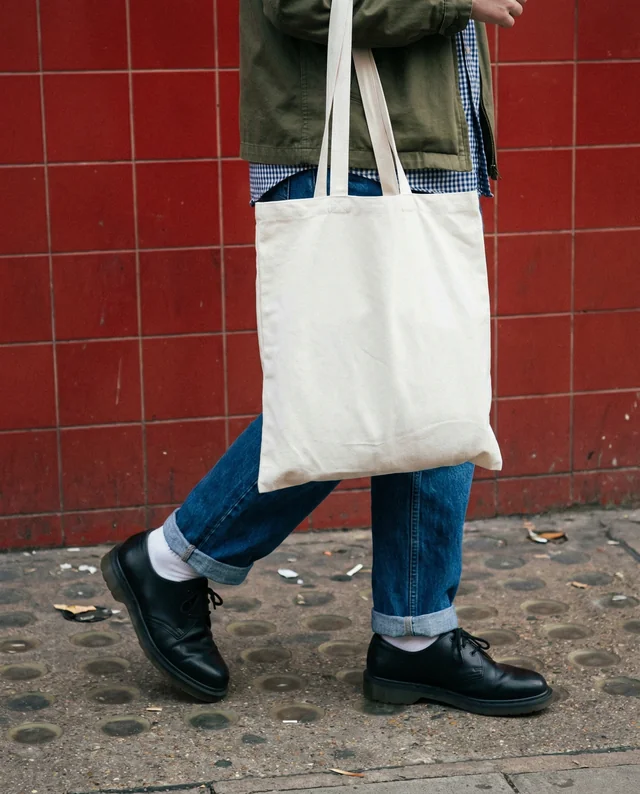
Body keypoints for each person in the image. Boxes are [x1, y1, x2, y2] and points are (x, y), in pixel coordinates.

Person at [101, 0, 553, 717]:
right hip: (350, 148)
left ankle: (413, 637)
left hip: (411, 144)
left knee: (424, 393)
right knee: (350, 395)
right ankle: (172, 563)